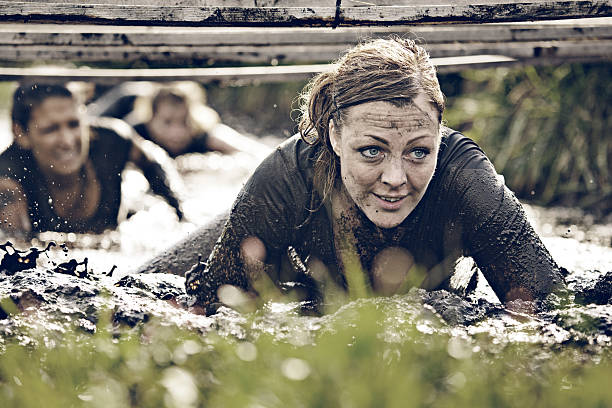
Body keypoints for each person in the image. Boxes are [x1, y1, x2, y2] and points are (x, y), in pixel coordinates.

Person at [145, 38, 565, 314]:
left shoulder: (466, 180)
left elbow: (558, 314)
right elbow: (207, 316)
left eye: (420, 151)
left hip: (437, 295)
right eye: (371, 151)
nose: (396, 178)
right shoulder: (285, 177)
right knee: (149, 287)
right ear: (334, 135)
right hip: (293, 252)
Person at [0, 83, 184, 236]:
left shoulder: (112, 140)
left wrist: (182, 213)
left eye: (74, 124)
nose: (67, 140)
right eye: (51, 129)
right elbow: (18, 249)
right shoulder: (9, 177)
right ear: (21, 134)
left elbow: (155, 160)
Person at [131, 83, 268, 159]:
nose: (177, 132)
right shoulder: (137, 134)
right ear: (151, 118)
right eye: (167, 122)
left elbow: (259, 155)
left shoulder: (204, 134)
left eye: (184, 121)